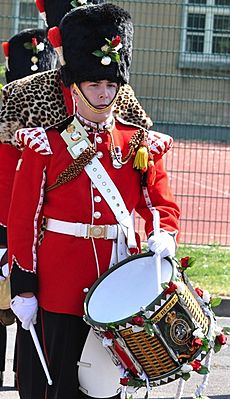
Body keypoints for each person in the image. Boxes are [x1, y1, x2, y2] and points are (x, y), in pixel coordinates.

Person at [8, 3, 180, 399]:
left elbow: (159, 205)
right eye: (93, 85)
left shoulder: (138, 142)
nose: (104, 95)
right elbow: (24, 220)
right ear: (75, 86)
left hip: (117, 282)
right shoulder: (46, 144)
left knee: (109, 386)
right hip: (59, 283)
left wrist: (164, 235)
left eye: (110, 85)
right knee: (59, 383)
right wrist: (25, 287)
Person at [0, 27, 57, 388]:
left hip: (12, 223)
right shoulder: (58, 116)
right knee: (30, 305)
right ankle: (26, 375)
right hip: (39, 223)